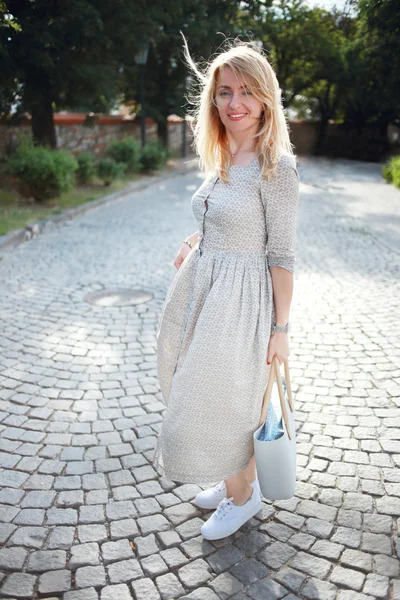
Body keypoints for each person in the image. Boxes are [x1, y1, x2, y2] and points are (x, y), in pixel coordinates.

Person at [152, 36, 300, 541]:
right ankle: (234, 476)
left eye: (246, 92)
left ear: (265, 99)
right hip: (202, 289)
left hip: (240, 305)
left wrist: (281, 329)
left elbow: (280, 253)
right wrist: (196, 238)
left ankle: (243, 497)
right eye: (223, 92)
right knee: (199, 386)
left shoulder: (275, 168)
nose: (234, 103)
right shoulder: (221, 155)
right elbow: (227, 219)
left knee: (210, 398)